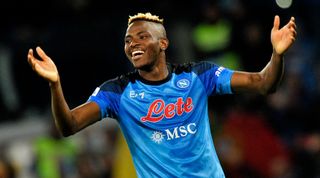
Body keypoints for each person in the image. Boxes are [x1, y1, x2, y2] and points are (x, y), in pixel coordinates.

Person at [27, 12, 297, 177]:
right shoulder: (117, 92)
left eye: (142, 37)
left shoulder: (198, 76)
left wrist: (277, 54)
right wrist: (55, 85)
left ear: (163, 43)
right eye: (128, 40)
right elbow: (69, 126)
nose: (133, 43)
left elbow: (264, 83)